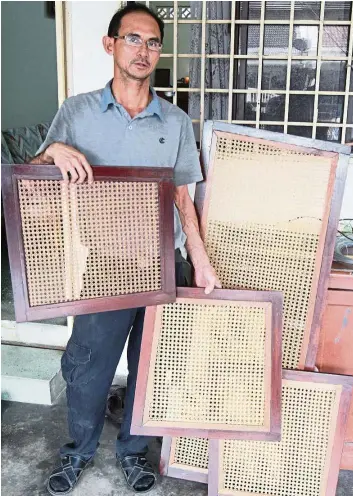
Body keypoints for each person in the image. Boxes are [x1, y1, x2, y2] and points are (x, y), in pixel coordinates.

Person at [31, 3, 221, 494]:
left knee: (152, 368)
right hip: (105, 266)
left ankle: (135, 453)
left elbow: (182, 195)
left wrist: (198, 261)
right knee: (88, 368)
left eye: (153, 42)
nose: (144, 50)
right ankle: (77, 452)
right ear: (110, 44)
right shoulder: (77, 112)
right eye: (133, 38)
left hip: (162, 266)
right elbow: (35, 176)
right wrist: (52, 150)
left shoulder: (175, 121)